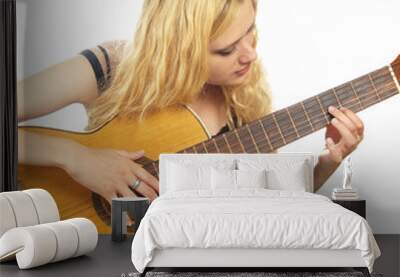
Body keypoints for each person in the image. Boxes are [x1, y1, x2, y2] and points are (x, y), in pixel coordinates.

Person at [17, 0, 364, 208]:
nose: (251, 54)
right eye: (226, 50)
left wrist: (329, 160)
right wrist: (76, 158)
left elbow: (268, 197)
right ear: (180, 49)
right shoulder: (112, 66)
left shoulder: (242, 96)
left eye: (250, 31)